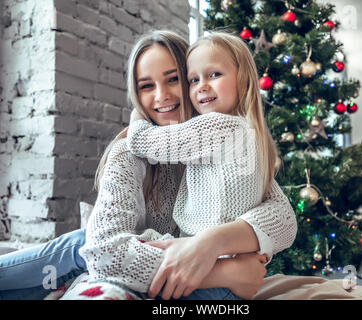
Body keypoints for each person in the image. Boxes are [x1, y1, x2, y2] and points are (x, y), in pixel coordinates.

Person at [0, 30, 297, 300]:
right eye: (146, 86)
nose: (162, 96)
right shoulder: (128, 153)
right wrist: (223, 271)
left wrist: (211, 243)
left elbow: (283, 218)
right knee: (80, 244)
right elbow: (105, 253)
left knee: (76, 245)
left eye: (174, 79)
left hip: (180, 285)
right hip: (168, 274)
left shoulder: (221, 140)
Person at [116, 30, 297, 300]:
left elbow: (146, 142)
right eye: (193, 79)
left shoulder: (219, 127)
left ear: (244, 81)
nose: (201, 86)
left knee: (87, 249)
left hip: (208, 272)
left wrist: (136, 118)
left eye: (214, 75)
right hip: (229, 277)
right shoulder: (251, 134)